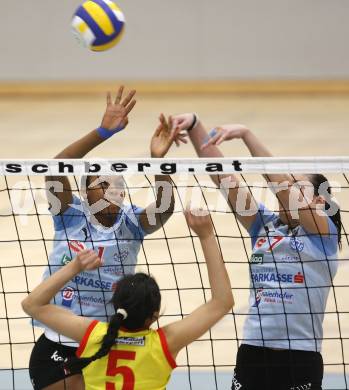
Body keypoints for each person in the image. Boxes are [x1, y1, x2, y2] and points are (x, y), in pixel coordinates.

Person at [171, 114, 341, 390]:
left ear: (319, 200)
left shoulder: (324, 235)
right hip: (252, 354)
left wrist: (247, 135)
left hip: (299, 360)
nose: (288, 188)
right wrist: (193, 126)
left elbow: (283, 190)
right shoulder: (263, 225)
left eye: (298, 185)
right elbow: (223, 177)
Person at [29, 86, 182, 390]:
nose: (113, 191)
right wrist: (103, 132)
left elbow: (164, 208)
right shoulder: (69, 214)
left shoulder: (131, 223)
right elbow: (55, 166)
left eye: (118, 186)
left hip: (103, 341)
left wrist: (158, 162)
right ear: (86, 192)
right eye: (103, 184)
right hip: (57, 342)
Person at [22, 208, 234, 390]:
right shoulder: (164, 344)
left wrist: (74, 267)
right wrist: (206, 236)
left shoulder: (94, 335)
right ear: (154, 316)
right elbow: (222, 302)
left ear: (115, 306)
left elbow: (32, 304)